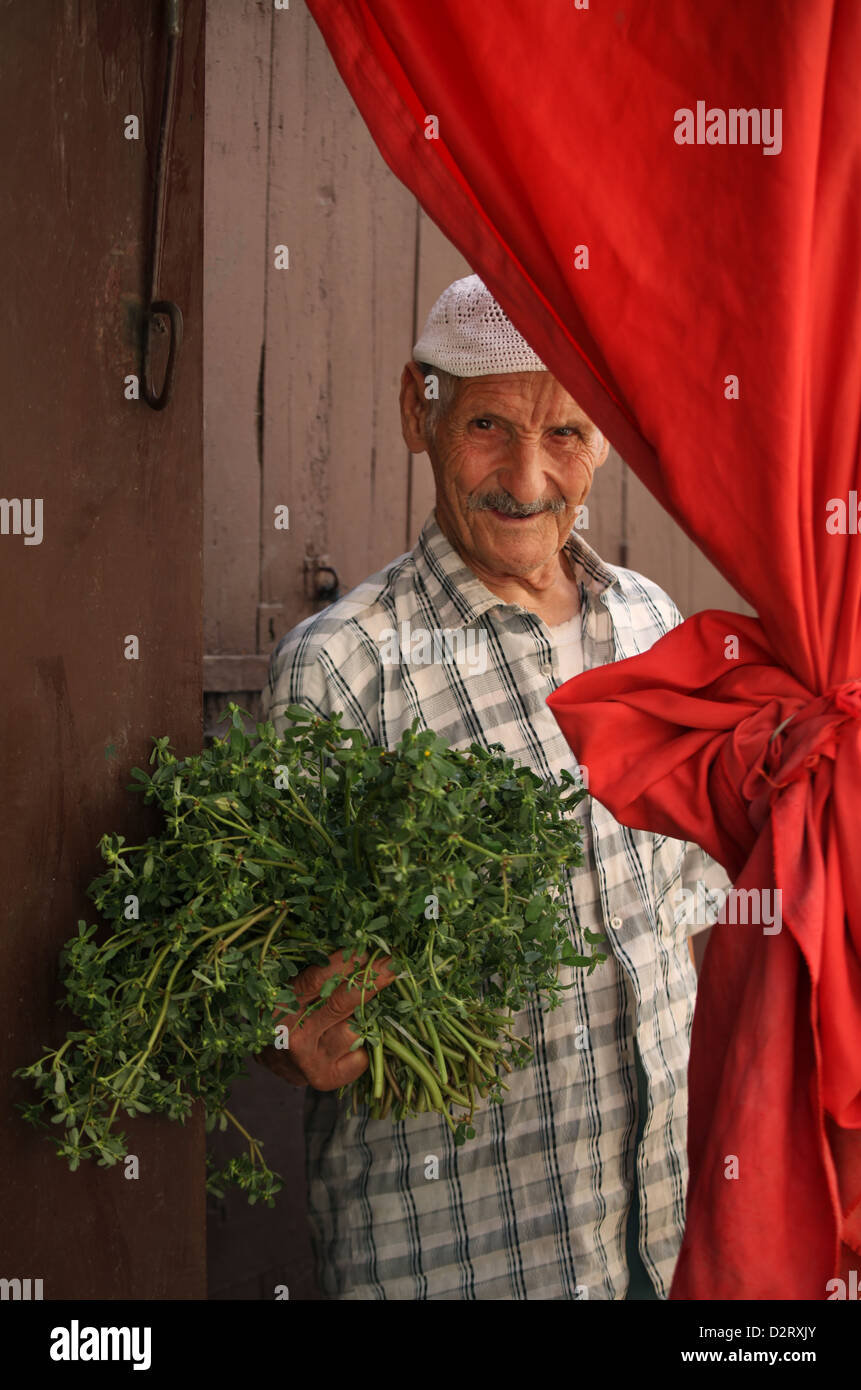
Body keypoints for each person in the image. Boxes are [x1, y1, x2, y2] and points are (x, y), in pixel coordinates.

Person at [259, 274, 731, 1300]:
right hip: (458, 1263)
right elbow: (266, 989)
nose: (526, 477)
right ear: (416, 409)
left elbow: (688, 931)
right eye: (486, 425)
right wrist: (285, 1035)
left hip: (663, 1245)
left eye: (565, 433)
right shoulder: (342, 666)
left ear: (604, 441)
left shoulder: (649, 628)